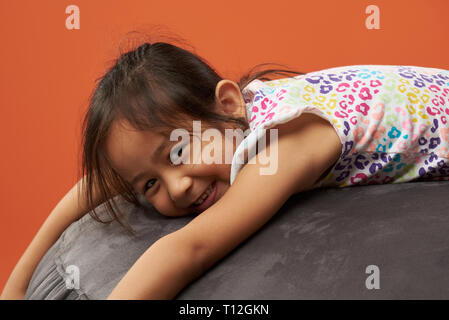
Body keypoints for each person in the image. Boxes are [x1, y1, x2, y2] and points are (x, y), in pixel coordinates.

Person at [2, 38, 449, 299]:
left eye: (178, 152)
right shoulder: (231, 119)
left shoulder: (282, 146)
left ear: (229, 103)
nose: (176, 188)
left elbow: (191, 248)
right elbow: (98, 184)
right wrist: (16, 286)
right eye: (150, 184)